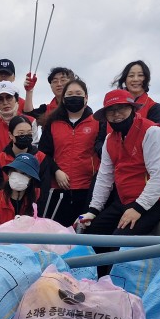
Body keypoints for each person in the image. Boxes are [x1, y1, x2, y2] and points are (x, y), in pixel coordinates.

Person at [80, 89, 160, 238]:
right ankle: (102, 262)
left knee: (118, 242)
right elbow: (104, 177)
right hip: (126, 201)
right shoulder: (109, 139)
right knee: (91, 234)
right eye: (110, 110)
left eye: (121, 108)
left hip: (159, 201)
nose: (116, 114)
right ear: (105, 116)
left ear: (132, 108)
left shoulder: (152, 132)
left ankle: (112, 261)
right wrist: (93, 210)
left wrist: (138, 208)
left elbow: (159, 177)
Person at [37, 77, 105, 226]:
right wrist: (56, 171)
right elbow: (43, 153)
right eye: (69, 94)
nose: (74, 97)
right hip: (59, 188)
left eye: (78, 93)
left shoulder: (99, 122)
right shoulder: (53, 122)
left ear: (86, 97)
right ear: (63, 99)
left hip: (88, 190)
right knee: (56, 234)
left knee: (83, 234)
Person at [0, 114, 54, 215]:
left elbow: (44, 189)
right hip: (5, 209)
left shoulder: (40, 157)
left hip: (32, 209)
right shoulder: (0, 159)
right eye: (21, 133)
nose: (25, 136)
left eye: (29, 133)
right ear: (11, 135)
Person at [0, 153, 42, 229]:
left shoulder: (38, 199)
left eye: (24, 173)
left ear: (31, 179)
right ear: (9, 174)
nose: (17, 176)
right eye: (14, 171)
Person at [0, 80, 26, 162]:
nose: (5, 102)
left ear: (16, 99)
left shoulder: (31, 121)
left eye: (9, 97)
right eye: (0, 99)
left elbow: (35, 152)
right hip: (1, 172)